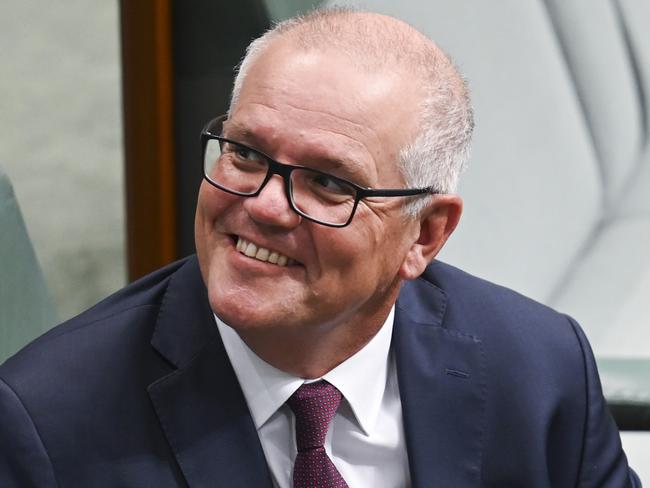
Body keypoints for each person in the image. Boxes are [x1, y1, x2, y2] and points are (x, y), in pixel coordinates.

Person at [0, 8, 640, 487]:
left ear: (425, 234)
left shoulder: (540, 370)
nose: (265, 206)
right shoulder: (48, 426)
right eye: (246, 154)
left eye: (328, 182)